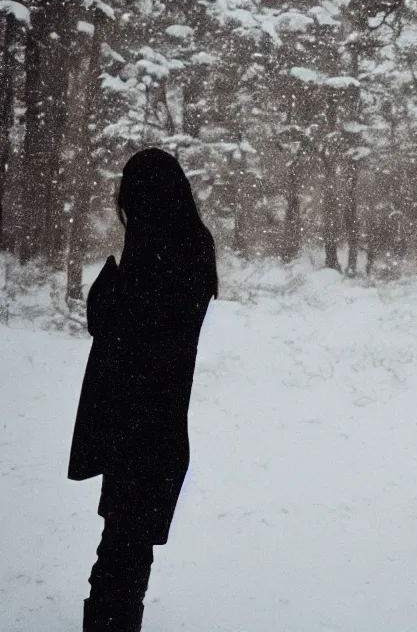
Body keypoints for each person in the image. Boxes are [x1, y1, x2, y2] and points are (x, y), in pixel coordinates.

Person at [68, 148, 218, 632]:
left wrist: (110, 292)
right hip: (156, 433)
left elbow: (126, 334)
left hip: (140, 434)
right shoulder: (188, 245)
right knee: (126, 558)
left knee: (118, 561)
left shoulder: (159, 253)